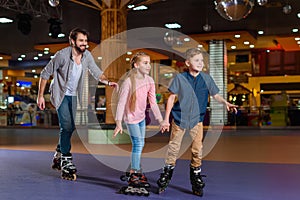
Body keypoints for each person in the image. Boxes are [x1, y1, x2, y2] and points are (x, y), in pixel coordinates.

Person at [37, 28, 117, 180]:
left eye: (86, 41)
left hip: (74, 95)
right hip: (60, 95)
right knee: (66, 126)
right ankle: (66, 159)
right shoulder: (62, 55)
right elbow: (45, 73)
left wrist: (107, 81)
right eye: (81, 41)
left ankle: (58, 153)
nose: (84, 44)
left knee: (72, 126)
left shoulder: (86, 56)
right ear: (73, 41)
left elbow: (96, 71)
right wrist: (40, 96)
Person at [157, 48, 237, 196]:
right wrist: (165, 119)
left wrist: (225, 102)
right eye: (196, 60)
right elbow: (171, 98)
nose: (200, 63)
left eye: (201, 60)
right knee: (173, 148)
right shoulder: (180, 78)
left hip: (197, 120)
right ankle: (166, 175)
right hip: (179, 118)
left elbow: (215, 95)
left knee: (197, 150)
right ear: (188, 63)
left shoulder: (207, 79)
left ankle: (196, 177)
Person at [113, 52, 168, 196]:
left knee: (141, 143)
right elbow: (121, 103)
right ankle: (134, 173)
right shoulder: (128, 82)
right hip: (130, 118)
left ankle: (133, 168)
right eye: (145, 63)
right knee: (138, 144)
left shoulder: (149, 80)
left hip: (141, 117)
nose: (148, 65)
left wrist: (161, 120)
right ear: (136, 65)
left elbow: (153, 103)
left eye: (149, 62)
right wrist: (118, 123)